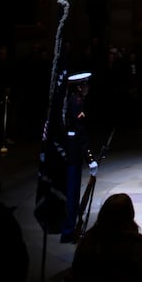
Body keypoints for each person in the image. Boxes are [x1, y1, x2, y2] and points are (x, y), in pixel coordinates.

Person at [42, 72, 95, 242]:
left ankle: (69, 227)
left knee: (71, 192)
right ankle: (68, 231)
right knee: (72, 194)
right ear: (79, 87)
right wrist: (90, 158)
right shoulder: (76, 103)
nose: (87, 88)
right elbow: (80, 132)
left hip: (70, 151)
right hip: (72, 153)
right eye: (85, 85)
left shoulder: (73, 101)